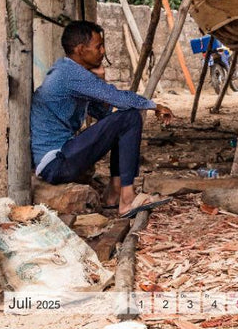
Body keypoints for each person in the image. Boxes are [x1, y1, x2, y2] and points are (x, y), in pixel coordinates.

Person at [31, 20, 174, 218]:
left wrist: (100, 81)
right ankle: (126, 199)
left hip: (63, 157)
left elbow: (105, 115)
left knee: (125, 119)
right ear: (81, 50)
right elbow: (117, 98)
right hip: (56, 162)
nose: (103, 51)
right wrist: (154, 105)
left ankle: (114, 195)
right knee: (130, 117)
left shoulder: (72, 72)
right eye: (98, 46)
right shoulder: (68, 73)